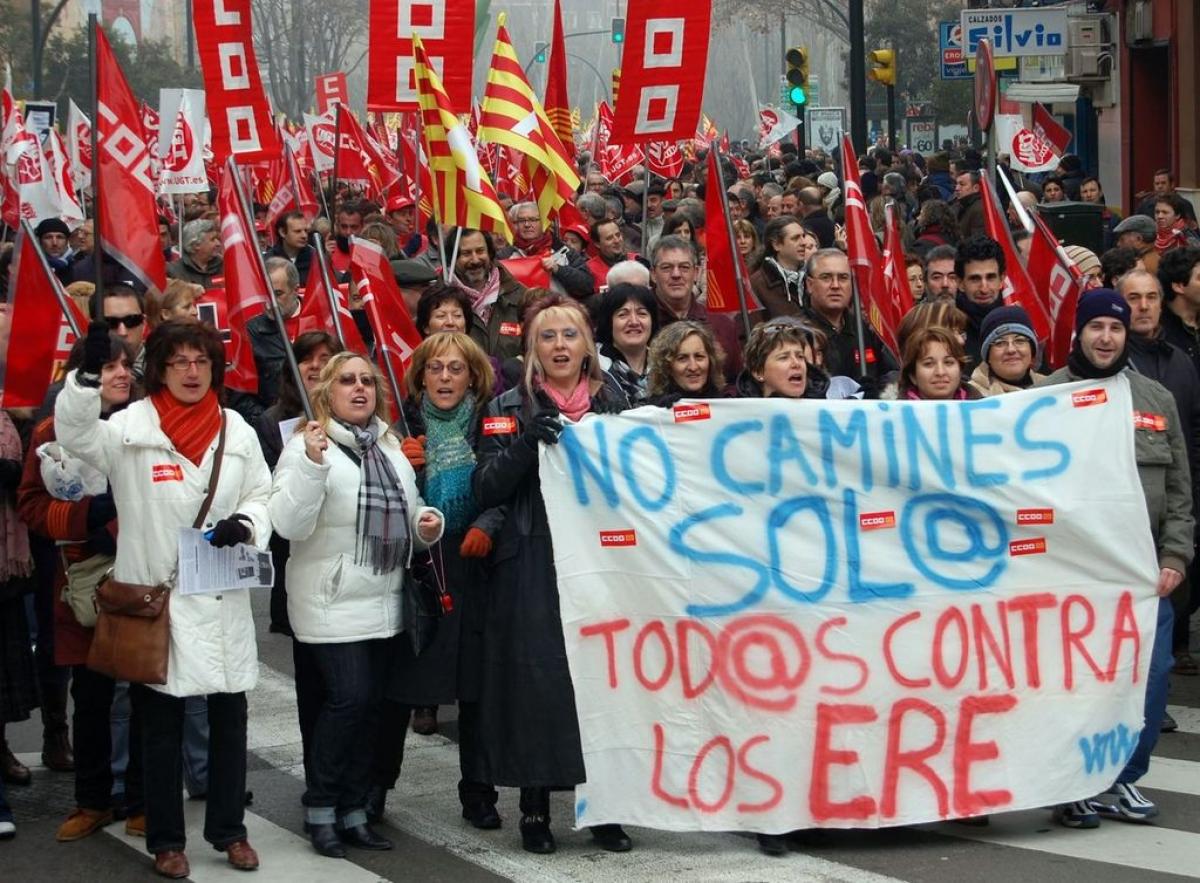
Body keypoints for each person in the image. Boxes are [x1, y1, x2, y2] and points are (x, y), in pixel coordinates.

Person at [55, 320, 272, 878]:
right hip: (159, 604)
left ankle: (230, 831)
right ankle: (166, 840)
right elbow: (74, 434)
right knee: (159, 729)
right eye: (179, 361)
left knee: (229, 724)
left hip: (220, 596)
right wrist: (85, 379)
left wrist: (247, 524)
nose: (191, 372)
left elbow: (262, 493)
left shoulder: (236, 428)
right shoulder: (129, 427)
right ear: (159, 369)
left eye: (201, 361)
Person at [472, 294, 631, 855]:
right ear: (531, 349)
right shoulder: (505, 406)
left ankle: (606, 806)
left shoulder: (616, 402)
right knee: (539, 684)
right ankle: (535, 807)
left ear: (588, 346)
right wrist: (524, 444)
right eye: (548, 336)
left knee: (606, 680)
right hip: (533, 559)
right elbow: (485, 487)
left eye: (570, 335)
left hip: (605, 560)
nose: (560, 345)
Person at [268, 352, 443, 858]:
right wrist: (311, 465)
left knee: (371, 712)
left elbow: (408, 514)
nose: (359, 388)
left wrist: (427, 524)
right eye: (347, 380)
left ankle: (353, 811)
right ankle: (321, 807)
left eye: (367, 380)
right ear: (326, 392)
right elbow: (288, 525)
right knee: (350, 700)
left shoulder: (387, 445)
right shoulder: (306, 446)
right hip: (330, 601)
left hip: (384, 600)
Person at [1040, 290, 1193, 827]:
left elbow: (1179, 490)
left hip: (1142, 571)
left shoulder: (1155, 399)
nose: (1106, 337)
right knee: (1075, 681)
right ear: (1078, 332)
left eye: (1116, 327)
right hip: (1070, 573)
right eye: (1096, 326)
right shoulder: (1044, 398)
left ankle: (1124, 775)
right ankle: (1074, 784)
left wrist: (1175, 555)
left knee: (1149, 677)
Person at [369, 333, 501, 826]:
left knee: (476, 689)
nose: (445, 378)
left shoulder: (490, 423)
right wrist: (402, 469)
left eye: (456, 369)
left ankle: (478, 794)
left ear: (473, 378)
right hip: (419, 566)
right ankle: (376, 788)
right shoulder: (395, 429)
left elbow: (506, 486)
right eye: (435, 368)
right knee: (401, 684)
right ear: (420, 376)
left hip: (475, 565)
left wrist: (487, 525)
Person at [17, 334, 145, 842]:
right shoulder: (51, 432)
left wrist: (118, 528)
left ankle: (143, 801)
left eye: (125, 365)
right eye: (107, 367)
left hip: (141, 576)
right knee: (91, 699)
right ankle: (92, 800)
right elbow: (30, 504)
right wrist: (86, 517)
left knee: (145, 694)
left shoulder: (147, 425)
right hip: (81, 586)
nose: (120, 374)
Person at [1118, 269, 1200, 684]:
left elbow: (1193, 435)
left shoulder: (1181, 361)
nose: (1144, 306)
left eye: (1151, 297)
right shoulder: (1110, 367)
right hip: (1127, 524)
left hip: (1174, 510)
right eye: (1133, 298)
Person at [0, 407, 37, 805]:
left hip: (7, 562)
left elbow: (28, 470)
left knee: (5, 668)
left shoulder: (12, 413)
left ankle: (2, 746)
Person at [229, 257, 304, 423]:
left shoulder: (322, 320)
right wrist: (269, 424)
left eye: (277, 294)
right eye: (264, 294)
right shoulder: (249, 333)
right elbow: (240, 397)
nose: (270, 302)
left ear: (295, 290)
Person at [802, 248, 892, 382]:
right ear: (809, 285)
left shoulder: (864, 329)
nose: (835, 285)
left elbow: (889, 374)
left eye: (843, 278)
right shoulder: (797, 332)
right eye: (826, 277)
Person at [446, 228, 530, 362]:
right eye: (466, 253)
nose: (475, 260)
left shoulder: (521, 296)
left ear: (490, 254)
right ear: (453, 258)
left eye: (480, 251)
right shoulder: (439, 302)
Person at [499, 202, 594, 300]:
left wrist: (558, 269)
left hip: (560, 307)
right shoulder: (505, 255)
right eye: (522, 220)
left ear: (544, 222)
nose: (527, 225)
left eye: (533, 220)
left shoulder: (564, 251)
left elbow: (587, 285)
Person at [592, 283, 660, 403]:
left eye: (642, 313)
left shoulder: (667, 366)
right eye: (623, 314)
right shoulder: (592, 369)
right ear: (609, 323)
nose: (634, 322)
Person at [735, 319, 823, 400]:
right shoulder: (738, 411)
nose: (796, 363)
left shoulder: (827, 406)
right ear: (758, 372)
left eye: (800, 356)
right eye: (784, 357)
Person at [967, 305, 1045, 396]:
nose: (1011, 350)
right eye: (1000, 343)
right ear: (988, 356)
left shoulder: (1051, 386)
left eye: (1019, 341)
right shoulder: (969, 396)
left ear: (1031, 350)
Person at [644, 320, 726, 406]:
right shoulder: (655, 410)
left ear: (711, 360)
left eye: (699, 357)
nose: (693, 367)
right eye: (682, 358)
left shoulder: (723, 405)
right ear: (667, 366)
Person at [955, 235, 1007, 366]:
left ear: (1002, 279)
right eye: (975, 279)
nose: (984, 288)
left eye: (990, 277)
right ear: (960, 283)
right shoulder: (947, 328)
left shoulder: (1020, 324)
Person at [751, 216, 809, 319]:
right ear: (776, 245)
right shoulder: (757, 284)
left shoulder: (812, 277)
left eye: (803, 236)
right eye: (795, 238)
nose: (804, 243)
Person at [899, 326, 977, 400]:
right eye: (929, 364)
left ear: (960, 370)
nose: (940, 372)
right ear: (912, 375)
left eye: (948, 362)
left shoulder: (983, 408)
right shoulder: (894, 410)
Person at [166, 219, 223, 289]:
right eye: (212, 239)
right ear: (196, 245)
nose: (218, 243)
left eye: (217, 239)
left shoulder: (225, 266)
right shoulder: (173, 272)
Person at [586, 220, 638, 294]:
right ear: (597, 244)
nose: (616, 241)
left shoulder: (637, 260)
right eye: (609, 238)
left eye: (618, 235)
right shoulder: (589, 269)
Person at [267, 211, 314, 287]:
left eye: (306, 231)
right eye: (298, 231)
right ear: (282, 232)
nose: (304, 235)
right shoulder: (267, 261)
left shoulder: (315, 258)